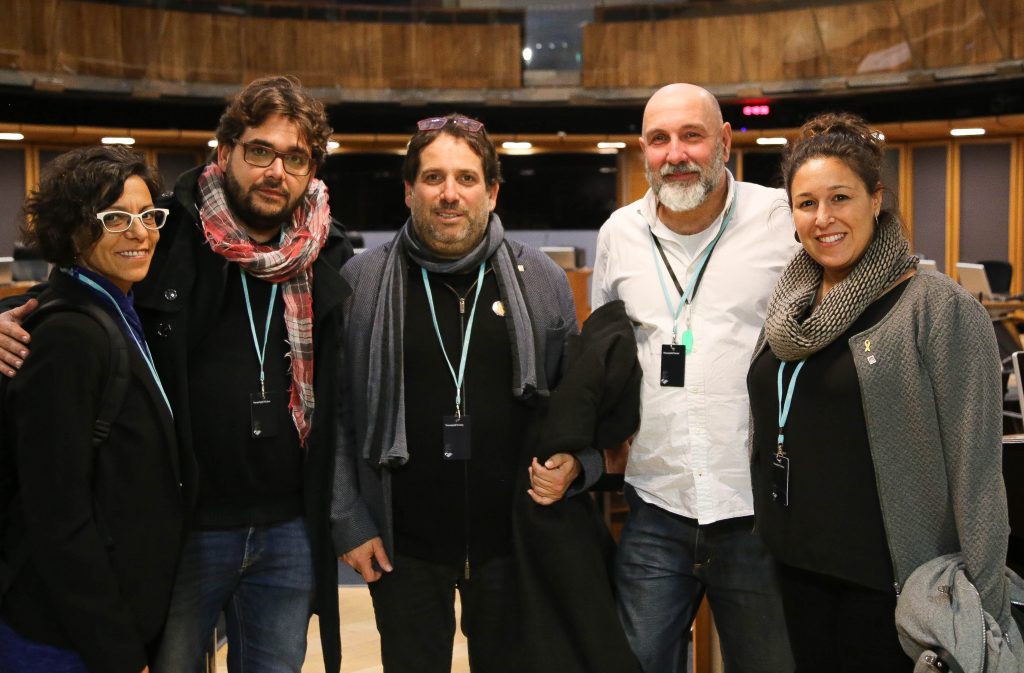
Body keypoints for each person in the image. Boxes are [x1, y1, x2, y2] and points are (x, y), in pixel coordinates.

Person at [0, 76, 352, 673]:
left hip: (289, 526)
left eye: (296, 158)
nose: (277, 172)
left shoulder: (327, 253)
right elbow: (77, 283)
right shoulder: (170, 232)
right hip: (189, 528)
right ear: (226, 151)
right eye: (260, 151)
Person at [330, 112, 603, 673]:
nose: (449, 194)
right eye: (432, 178)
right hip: (401, 548)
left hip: (512, 546)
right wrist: (350, 523)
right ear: (409, 191)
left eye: (466, 178)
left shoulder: (542, 280)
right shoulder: (362, 281)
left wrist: (581, 462)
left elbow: (578, 405)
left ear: (493, 190)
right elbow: (333, 415)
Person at [747, 112, 1012, 670]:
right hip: (794, 571)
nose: (824, 219)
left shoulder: (937, 308)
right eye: (806, 203)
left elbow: (979, 474)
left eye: (840, 198)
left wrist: (984, 619)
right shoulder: (790, 305)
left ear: (876, 199)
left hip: (893, 592)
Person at [591, 83, 797, 672]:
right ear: (642, 150)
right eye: (659, 139)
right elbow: (607, 353)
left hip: (756, 509)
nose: (675, 153)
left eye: (692, 135)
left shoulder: (781, 219)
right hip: (656, 504)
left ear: (725, 142)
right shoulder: (618, 235)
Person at [0, 146, 183, 673]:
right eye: (115, 218)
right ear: (71, 228)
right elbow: (58, 517)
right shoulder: (69, 335)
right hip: (62, 639)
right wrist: (118, 652)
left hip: (99, 626)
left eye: (148, 216)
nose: (139, 232)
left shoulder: (113, 307)